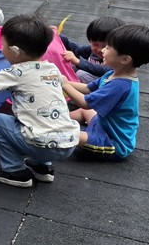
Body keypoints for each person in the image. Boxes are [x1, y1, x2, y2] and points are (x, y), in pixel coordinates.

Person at [0, 14, 80, 187]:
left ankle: (14, 170)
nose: (1, 48)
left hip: (42, 146)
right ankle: (43, 168)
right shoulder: (52, 69)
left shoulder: (16, 73)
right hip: (69, 142)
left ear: (15, 51)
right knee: (41, 120)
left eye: (3, 45)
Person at [61, 24, 148, 161]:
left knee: (67, 134)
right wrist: (60, 79)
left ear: (125, 59)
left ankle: (55, 126)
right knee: (84, 113)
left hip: (112, 142)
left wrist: (65, 84)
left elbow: (85, 103)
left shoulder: (120, 85)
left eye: (107, 48)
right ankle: (58, 119)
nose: (102, 50)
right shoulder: (113, 74)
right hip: (103, 124)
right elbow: (87, 88)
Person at [59, 16, 125, 84]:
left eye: (106, 47)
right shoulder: (91, 51)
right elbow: (75, 48)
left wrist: (78, 62)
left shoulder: (117, 61)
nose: (100, 50)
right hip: (90, 84)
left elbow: (104, 70)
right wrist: (57, 35)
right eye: (95, 44)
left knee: (81, 74)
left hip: (105, 85)